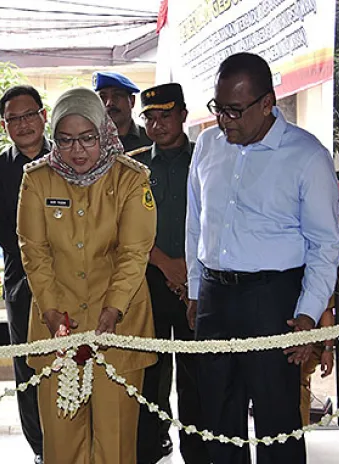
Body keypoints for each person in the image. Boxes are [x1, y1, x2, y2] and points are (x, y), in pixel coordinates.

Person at [185, 53, 339, 464]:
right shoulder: (206, 146)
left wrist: (308, 314)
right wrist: (196, 292)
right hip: (215, 299)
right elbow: (195, 225)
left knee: (277, 421)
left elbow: (324, 244)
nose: (225, 121)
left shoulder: (306, 156)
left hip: (274, 302)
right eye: (219, 108)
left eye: (236, 110)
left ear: (268, 103)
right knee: (216, 417)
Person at [17, 87, 157, 464]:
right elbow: (34, 250)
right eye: (64, 140)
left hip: (119, 327)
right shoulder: (38, 179)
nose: (76, 151)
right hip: (56, 327)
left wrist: (112, 311)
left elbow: (133, 253)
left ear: (104, 131)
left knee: (115, 444)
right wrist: (50, 311)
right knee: (61, 444)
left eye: (87, 139)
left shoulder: (131, 179)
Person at [130, 84, 209, 464]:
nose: (157, 124)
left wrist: (190, 273)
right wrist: (165, 263)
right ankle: (150, 449)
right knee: (150, 374)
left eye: (165, 115)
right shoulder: (134, 166)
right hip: (149, 284)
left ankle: (197, 452)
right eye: (150, 117)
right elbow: (124, 228)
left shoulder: (207, 158)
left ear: (183, 114)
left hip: (200, 285)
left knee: (197, 376)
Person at [0, 85, 50, 464]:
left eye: (29, 115)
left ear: (43, 115)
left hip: (77, 281)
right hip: (24, 283)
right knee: (29, 369)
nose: (22, 124)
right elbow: (5, 234)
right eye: (13, 119)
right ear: (4, 125)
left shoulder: (71, 157)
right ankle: (41, 448)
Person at [93, 71, 152, 152]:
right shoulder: (91, 141)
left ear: (132, 101)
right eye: (102, 97)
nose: (109, 103)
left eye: (117, 95)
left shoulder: (150, 139)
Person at [299, 303, 335, 426]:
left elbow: (326, 310)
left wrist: (328, 349)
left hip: (307, 344)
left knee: (299, 386)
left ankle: (298, 435)